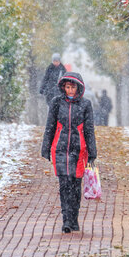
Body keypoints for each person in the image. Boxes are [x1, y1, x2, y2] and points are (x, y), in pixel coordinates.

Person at [41, 71, 97, 233]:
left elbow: (89, 130)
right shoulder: (56, 103)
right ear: (63, 87)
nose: (70, 90)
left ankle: (74, 219)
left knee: (75, 186)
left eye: (73, 87)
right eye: (67, 87)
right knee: (64, 185)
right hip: (59, 150)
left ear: (78, 87)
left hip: (79, 151)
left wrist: (92, 151)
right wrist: (45, 147)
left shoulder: (85, 105)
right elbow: (50, 126)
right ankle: (66, 220)